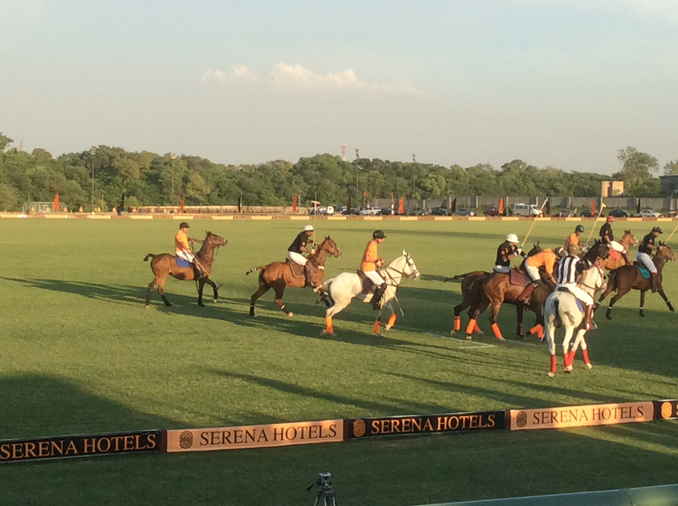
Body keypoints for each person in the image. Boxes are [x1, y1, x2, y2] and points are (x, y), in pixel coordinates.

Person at [557, 244, 596, 330]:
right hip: (570, 286)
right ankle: (587, 323)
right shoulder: (578, 261)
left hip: (558, 286)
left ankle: (547, 328)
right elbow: (584, 272)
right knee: (590, 300)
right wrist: (580, 283)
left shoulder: (561, 260)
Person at [361, 230, 387, 310]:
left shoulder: (373, 244)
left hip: (371, 267)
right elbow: (367, 258)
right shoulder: (372, 246)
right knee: (383, 284)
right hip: (368, 269)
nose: (383, 240)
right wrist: (376, 261)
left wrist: (380, 259)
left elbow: (374, 255)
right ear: (377, 238)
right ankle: (375, 302)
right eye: (381, 238)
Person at [636, 226, 662, 292]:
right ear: (654, 232)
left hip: (639, 254)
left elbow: (645, 247)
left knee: (644, 268)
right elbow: (648, 245)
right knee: (654, 270)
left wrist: (652, 254)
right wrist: (657, 248)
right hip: (643, 255)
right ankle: (653, 286)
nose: (658, 234)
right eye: (658, 233)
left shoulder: (647, 235)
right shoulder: (651, 237)